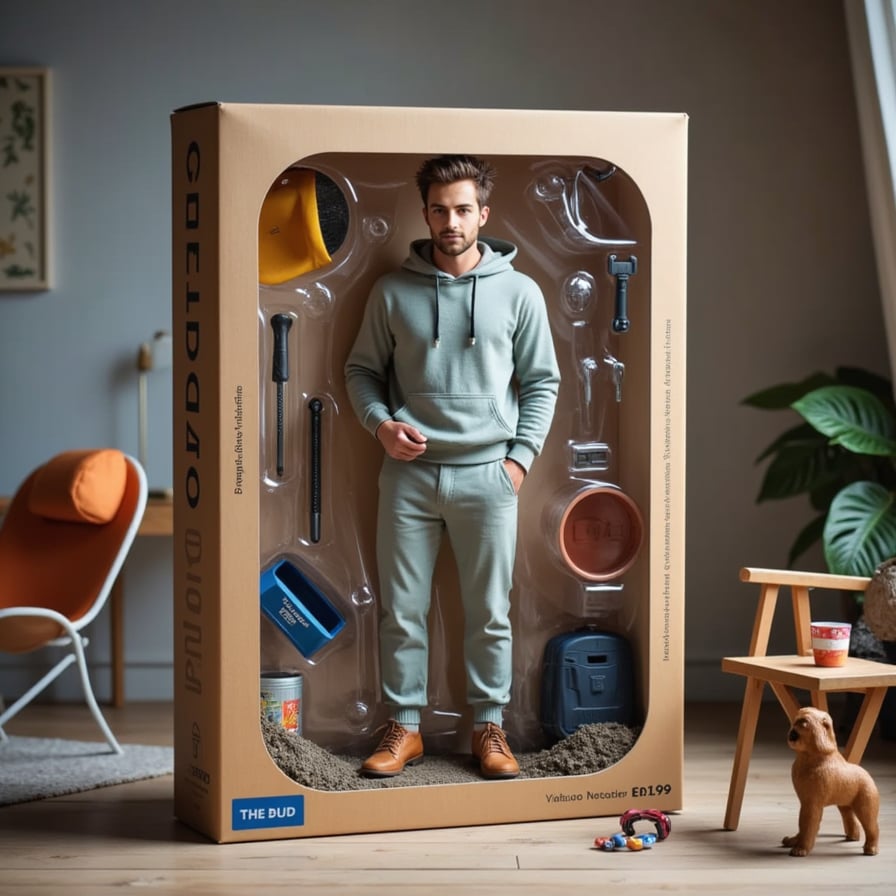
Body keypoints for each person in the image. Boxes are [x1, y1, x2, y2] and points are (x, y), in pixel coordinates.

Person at [344, 155, 560, 779]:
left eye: (463, 209)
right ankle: (404, 729)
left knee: (489, 611)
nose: (451, 221)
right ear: (425, 214)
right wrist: (381, 425)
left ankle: (489, 727)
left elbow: (542, 382)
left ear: (483, 214)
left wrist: (518, 462)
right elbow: (361, 371)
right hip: (408, 476)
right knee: (401, 609)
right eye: (439, 210)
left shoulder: (520, 292)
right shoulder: (392, 293)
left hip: (490, 476)